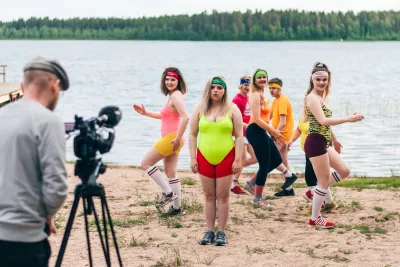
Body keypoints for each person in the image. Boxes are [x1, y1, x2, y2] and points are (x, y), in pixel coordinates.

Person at [0, 56, 69, 267]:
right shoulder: (48, 121)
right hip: (25, 240)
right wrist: (45, 216)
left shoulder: (2, 115)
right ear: (56, 86)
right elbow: (57, 187)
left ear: (22, 85)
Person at [303, 62, 364, 228]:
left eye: (325, 79)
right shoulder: (312, 98)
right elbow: (323, 121)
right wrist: (347, 119)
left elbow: (325, 125)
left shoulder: (322, 96)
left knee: (344, 170)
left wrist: (335, 140)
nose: (322, 82)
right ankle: (315, 218)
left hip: (324, 141)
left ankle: (312, 192)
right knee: (323, 181)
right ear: (312, 80)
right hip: (315, 142)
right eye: (319, 80)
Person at [189, 75, 243, 246]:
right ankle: (209, 231)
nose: (216, 90)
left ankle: (221, 232)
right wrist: (192, 157)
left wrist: (238, 160)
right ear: (208, 89)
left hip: (226, 157)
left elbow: (240, 136)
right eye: (213, 87)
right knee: (209, 196)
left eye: (219, 88)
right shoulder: (200, 109)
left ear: (224, 91)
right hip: (203, 157)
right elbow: (192, 134)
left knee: (223, 196)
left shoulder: (232, 109)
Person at [134, 67, 189, 216]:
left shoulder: (176, 96)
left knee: (146, 163)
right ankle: (176, 208)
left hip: (172, 138)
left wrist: (177, 138)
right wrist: (146, 113)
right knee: (171, 172)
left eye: (173, 80)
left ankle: (167, 192)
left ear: (178, 81)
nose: (169, 82)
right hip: (174, 139)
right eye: (167, 79)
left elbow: (186, 117)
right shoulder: (173, 96)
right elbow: (165, 116)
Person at [243, 69, 298, 207]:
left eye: (264, 77)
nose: (262, 79)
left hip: (262, 131)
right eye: (259, 77)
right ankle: (257, 198)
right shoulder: (255, 95)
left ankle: (252, 183)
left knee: (276, 159)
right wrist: (273, 132)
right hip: (255, 130)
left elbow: (268, 117)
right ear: (254, 80)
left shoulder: (264, 95)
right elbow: (256, 118)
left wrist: (272, 131)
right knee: (264, 165)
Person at [287, 114, 342, 211]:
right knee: (315, 177)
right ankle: (328, 203)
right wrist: (291, 139)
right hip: (308, 150)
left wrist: (335, 140)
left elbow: (327, 126)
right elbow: (299, 129)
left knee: (313, 177)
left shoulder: (317, 112)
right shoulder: (304, 115)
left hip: (317, 149)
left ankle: (317, 203)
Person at [268, 78, 296, 197]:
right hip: (280, 134)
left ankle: (254, 182)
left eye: (273, 88)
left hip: (282, 135)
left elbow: (283, 122)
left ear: (280, 88)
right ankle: (289, 189)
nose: (271, 91)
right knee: (284, 161)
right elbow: (268, 117)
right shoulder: (275, 100)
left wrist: (274, 134)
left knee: (271, 158)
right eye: (269, 88)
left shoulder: (283, 101)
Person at [231, 75, 257, 194]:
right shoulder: (237, 99)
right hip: (239, 134)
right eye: (245, 85)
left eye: (249, 85)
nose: (247, 88)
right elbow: (234, 119)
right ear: (241, 85)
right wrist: (248, 126)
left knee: (256, 157)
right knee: (242, 159)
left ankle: (232, 171)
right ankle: (233, 183)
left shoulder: (249, 98)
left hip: (249, 134)